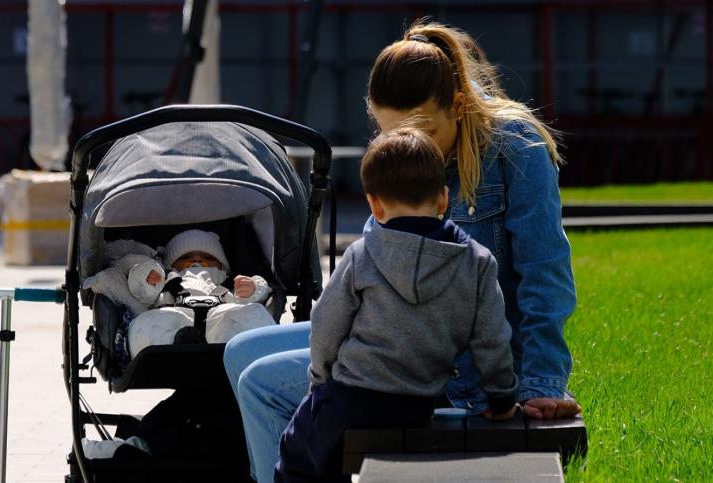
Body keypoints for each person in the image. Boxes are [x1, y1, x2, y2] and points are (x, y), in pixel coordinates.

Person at [224, 20, 580, 483]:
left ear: (457, 105)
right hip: (395, 332)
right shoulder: (406, 149)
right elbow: (374, 262)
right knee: (238, 350)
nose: (410, 149)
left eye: (425, 131)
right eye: (390, 135)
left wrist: (540, 385)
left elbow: (545, 274)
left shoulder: (516, 147)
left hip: (454, 362)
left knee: (261, 384)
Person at [274, 128, 519, 482]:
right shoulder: (477, 262)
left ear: (374, 204)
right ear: (443, 198)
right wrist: (501, 396)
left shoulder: (362, 255)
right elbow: (492, 339)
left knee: (297, 456)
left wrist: (319, 379)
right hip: (418, 404)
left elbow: (326, 323)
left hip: (350, 399)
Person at [127, 229, 275, 354]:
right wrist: (146, 278)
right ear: (170, 264)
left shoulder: (228, 281)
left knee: (255, 313)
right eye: (185, 257)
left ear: (222, 266)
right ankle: (175, 346)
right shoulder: (165, 278)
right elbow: (141, 292)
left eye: (207, 257)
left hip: (218, 319)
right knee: (143, 323)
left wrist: (252, 289)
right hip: (175, 316)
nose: (196, 261)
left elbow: (259, 289)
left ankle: (236, 348)